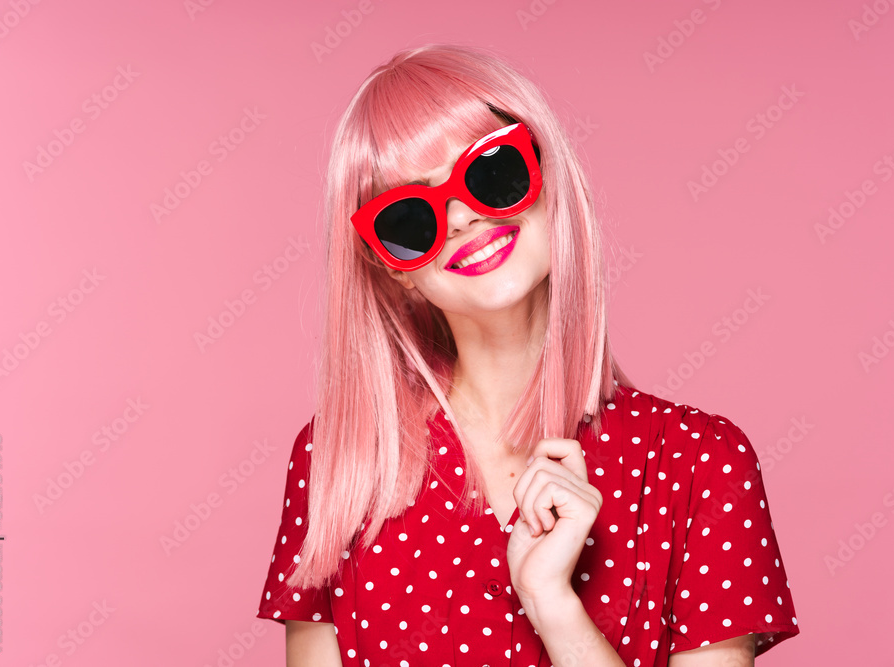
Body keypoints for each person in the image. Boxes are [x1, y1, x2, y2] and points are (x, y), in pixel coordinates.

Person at [255, 43, 800, 666]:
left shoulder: (700, 464)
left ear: (550, 181)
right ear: (391, 270)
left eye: (491, 173)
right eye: (409, 216)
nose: (460, 217)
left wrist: (552, 604)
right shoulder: (338, 462)